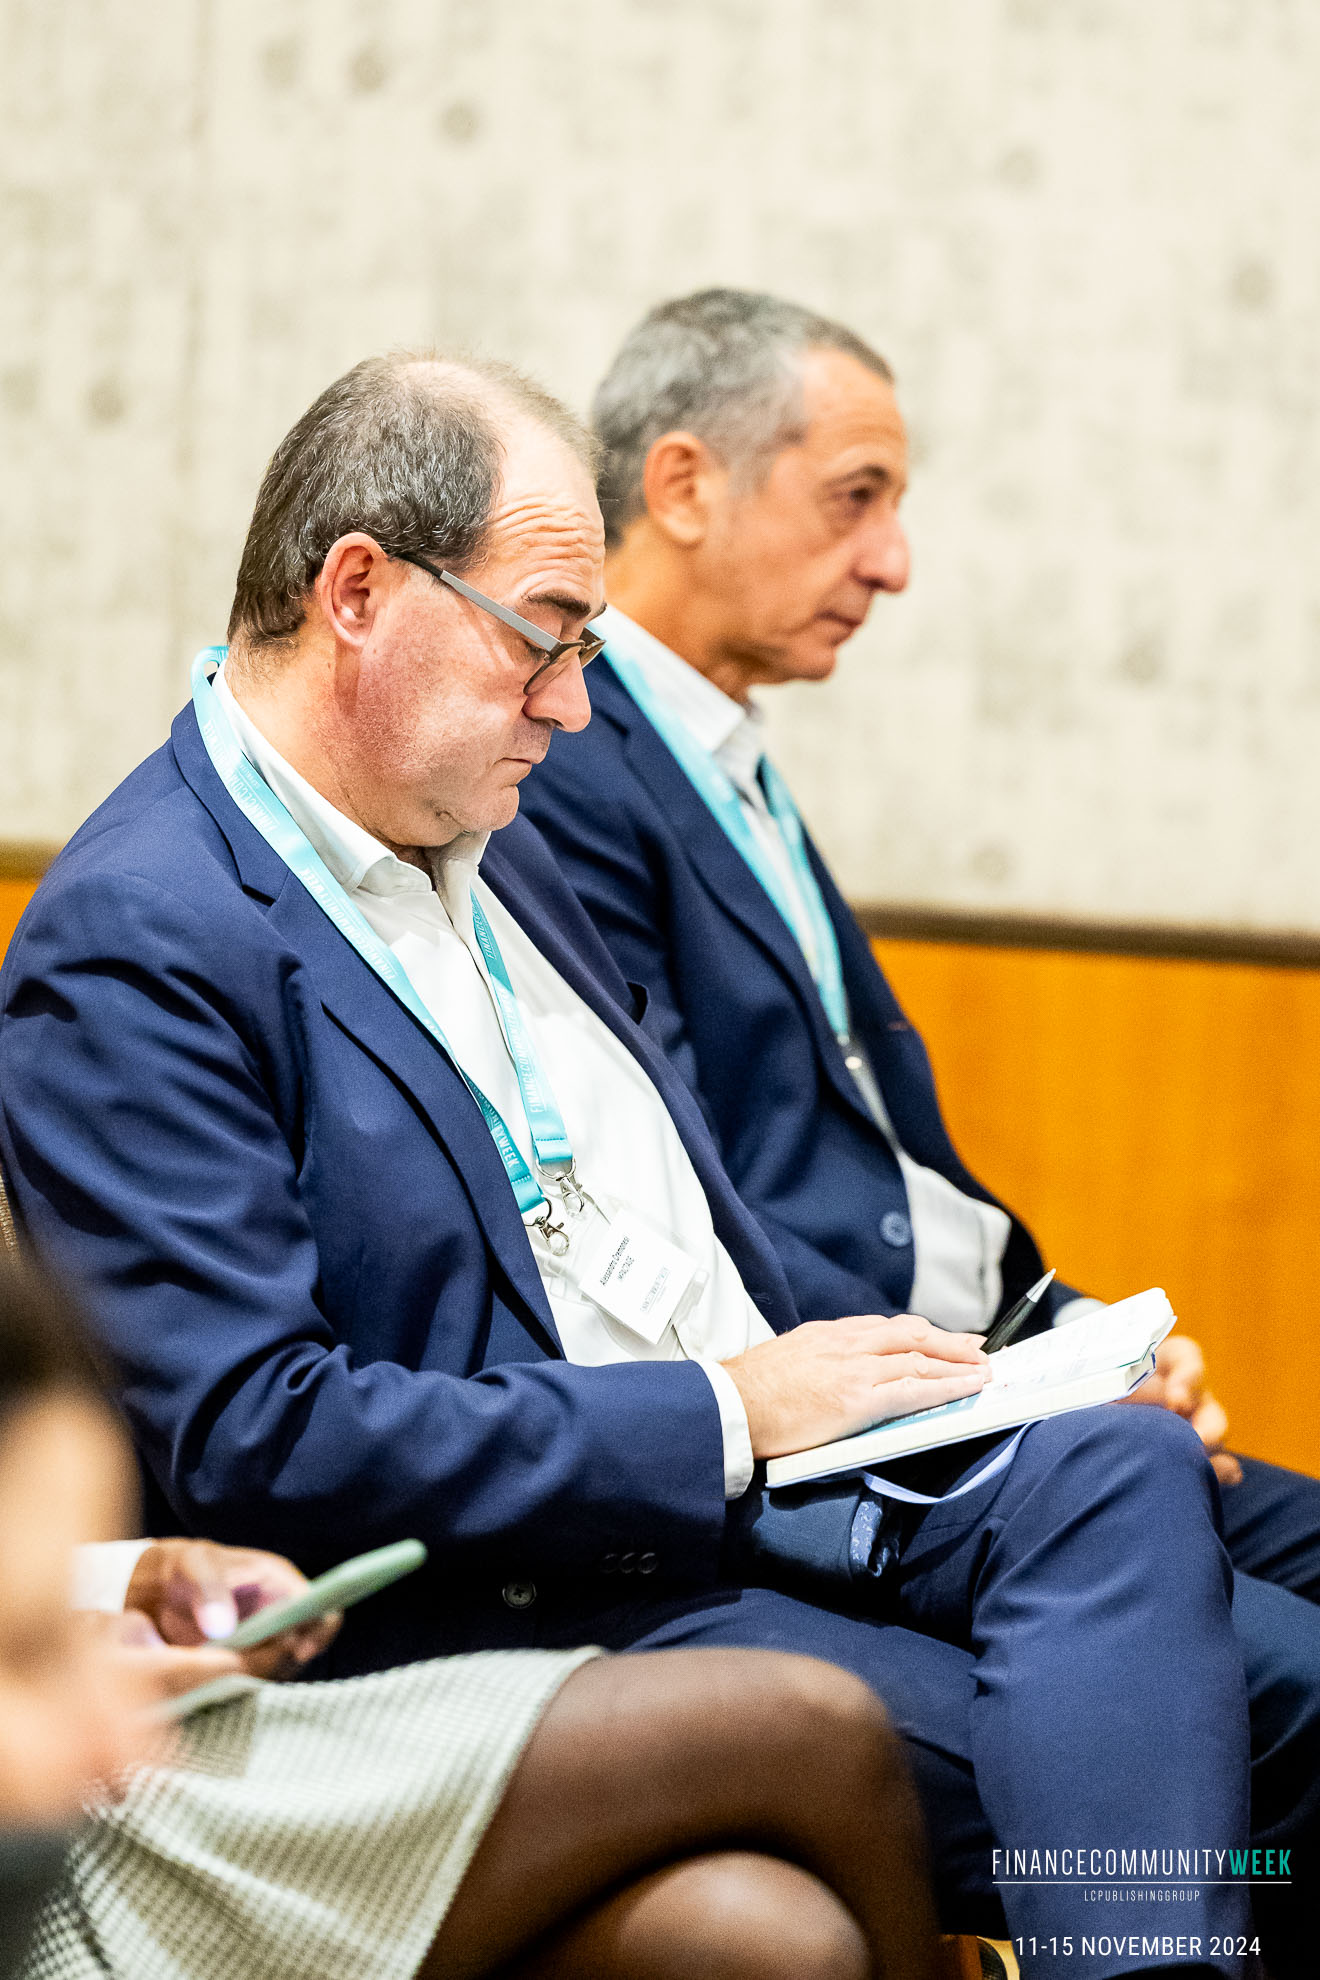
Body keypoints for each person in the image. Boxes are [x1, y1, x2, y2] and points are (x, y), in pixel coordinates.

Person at [0, 348, 1306, 1979]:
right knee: (1224, 1759)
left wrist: (1005, 1371)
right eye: (545, 636)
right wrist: (728, 1412)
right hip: (529, 1577)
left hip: (773, 1476)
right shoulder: (142, 935)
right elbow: (255, 1432)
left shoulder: (486, 838)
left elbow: (696, 1224)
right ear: (359, 593)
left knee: (1123, 1464)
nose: (571, 704)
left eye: (588, 652)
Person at [518, 287, 1320, 1583]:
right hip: (875, 1431)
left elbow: (877, 1169)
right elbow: (685, 1200)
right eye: (855, 498)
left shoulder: (719, 752)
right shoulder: (567, 767)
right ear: (683, 487)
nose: (893, 562)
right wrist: (1023, 1385)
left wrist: (1086, 1342)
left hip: (992, 1369)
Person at [0, 1254, 949, 1980]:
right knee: (809, 1720)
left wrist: (126, 1577)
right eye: (27, 1656)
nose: (122, 1742)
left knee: (770, 1938)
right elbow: (269, 1427)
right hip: (129, 1832)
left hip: (185, 1727)